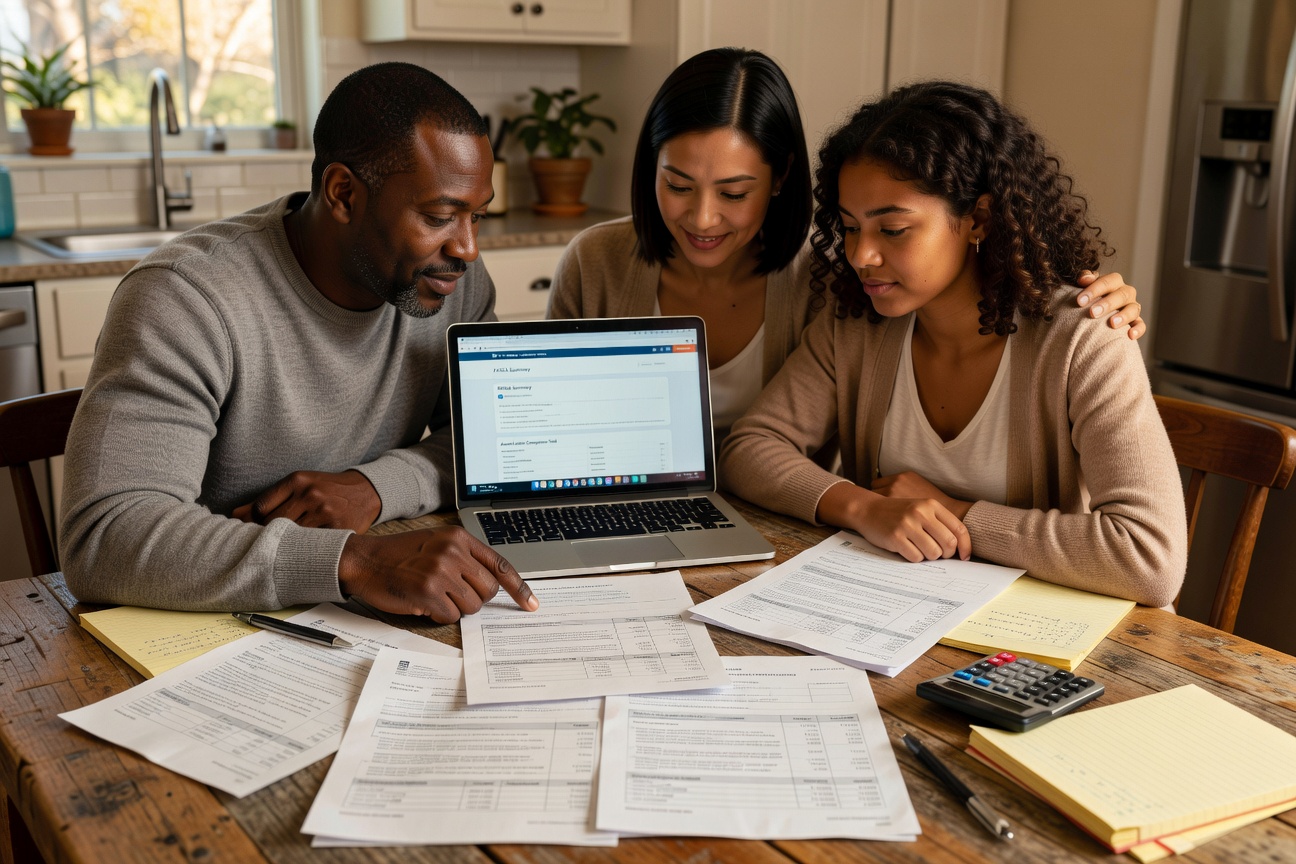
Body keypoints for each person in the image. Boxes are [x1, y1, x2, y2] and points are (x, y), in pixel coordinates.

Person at [59, 63, 537, 622]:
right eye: (439, 217)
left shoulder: (451, 281)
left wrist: (374, 488)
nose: (468, 248)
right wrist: (353, 561)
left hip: (368, 612)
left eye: (477, 216)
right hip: (203, 621)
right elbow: (105, 536)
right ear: (343, 194)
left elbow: (496, 442)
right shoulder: (185, 297)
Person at [720, 81, 1187, 607]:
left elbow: (1150, 558)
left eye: (893, 229)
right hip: (901, 613)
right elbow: (751, 448)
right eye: (850, 227)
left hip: (1046, 632)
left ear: (977, 220)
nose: (861, 256)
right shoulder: (857, 323)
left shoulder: (1082, 338)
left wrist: (956, 514)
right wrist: (862, 507)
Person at [547, 48, 1145, 443]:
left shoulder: (833, 278)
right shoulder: (596, 262)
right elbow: (549, 429)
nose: (702, 217)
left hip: (781, 530)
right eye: (677, 185)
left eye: (733, 192)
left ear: (780, 178)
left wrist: (1083, 296)